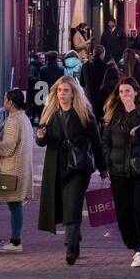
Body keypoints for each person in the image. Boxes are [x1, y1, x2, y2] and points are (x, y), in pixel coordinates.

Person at [36, 75, 106, 264]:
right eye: (59, 90)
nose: (61, 94)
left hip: (78, 166)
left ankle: (71, 246)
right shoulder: (50, 113)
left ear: (74, 93)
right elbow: (42, 141)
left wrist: (102, 167)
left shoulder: (84, 113)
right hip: (57, 165)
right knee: (63, 204)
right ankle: (74, 237)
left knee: (72, 204)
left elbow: (97, 142)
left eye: (66, 90)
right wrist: (41, 137)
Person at [101, 76, 140, 267]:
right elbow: (105, 141)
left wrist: (133, 111)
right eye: (122, 91)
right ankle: (135, 248)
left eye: (128, 91)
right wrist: (107, 160)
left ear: (136, 93)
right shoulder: (111, 114)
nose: (125, 95)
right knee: (123, 211)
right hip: (118, 169)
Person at [0, 89, 35, 254]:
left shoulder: (12, 121)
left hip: (7, 170)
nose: (3, 102)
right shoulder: (24, 118)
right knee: (15, 204)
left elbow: (8, 146)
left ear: (11, 103)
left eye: (5, 100)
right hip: (20, 170)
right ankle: (16, 241)